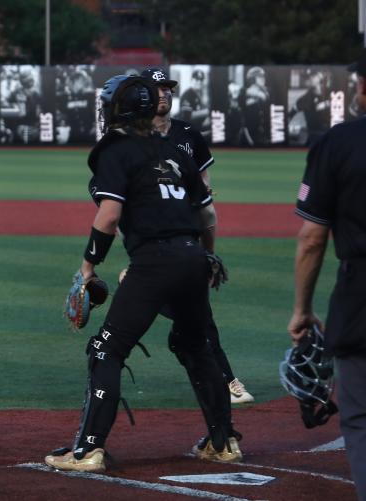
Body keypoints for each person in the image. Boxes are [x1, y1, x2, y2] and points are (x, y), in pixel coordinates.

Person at [44, 75, 239, 472]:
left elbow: (110, 215)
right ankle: (224, 444)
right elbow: (208, 214)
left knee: (106, 350)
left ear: (119, 110)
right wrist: (208, 260)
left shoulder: (114, 150)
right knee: (194, 346)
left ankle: (88, 450)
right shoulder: (175, 152)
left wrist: (88, 266)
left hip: (153, 261)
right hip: (192, 257)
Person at [141, 67, 254, 405]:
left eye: (167, 88)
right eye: (156, 89)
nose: (163, 94)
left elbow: (205, 188)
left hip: (188, 236)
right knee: (193, 315)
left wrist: (208, 252)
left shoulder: (189, 134)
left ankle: (226, 379)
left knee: (196, 313)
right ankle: (226, 379)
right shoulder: (133, 139)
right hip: (149, 239)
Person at [288, 50, 366, 499]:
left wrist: (302, 309)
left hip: (361, 297)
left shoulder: (337, 143)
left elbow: (312, 239)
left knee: (360, 416)